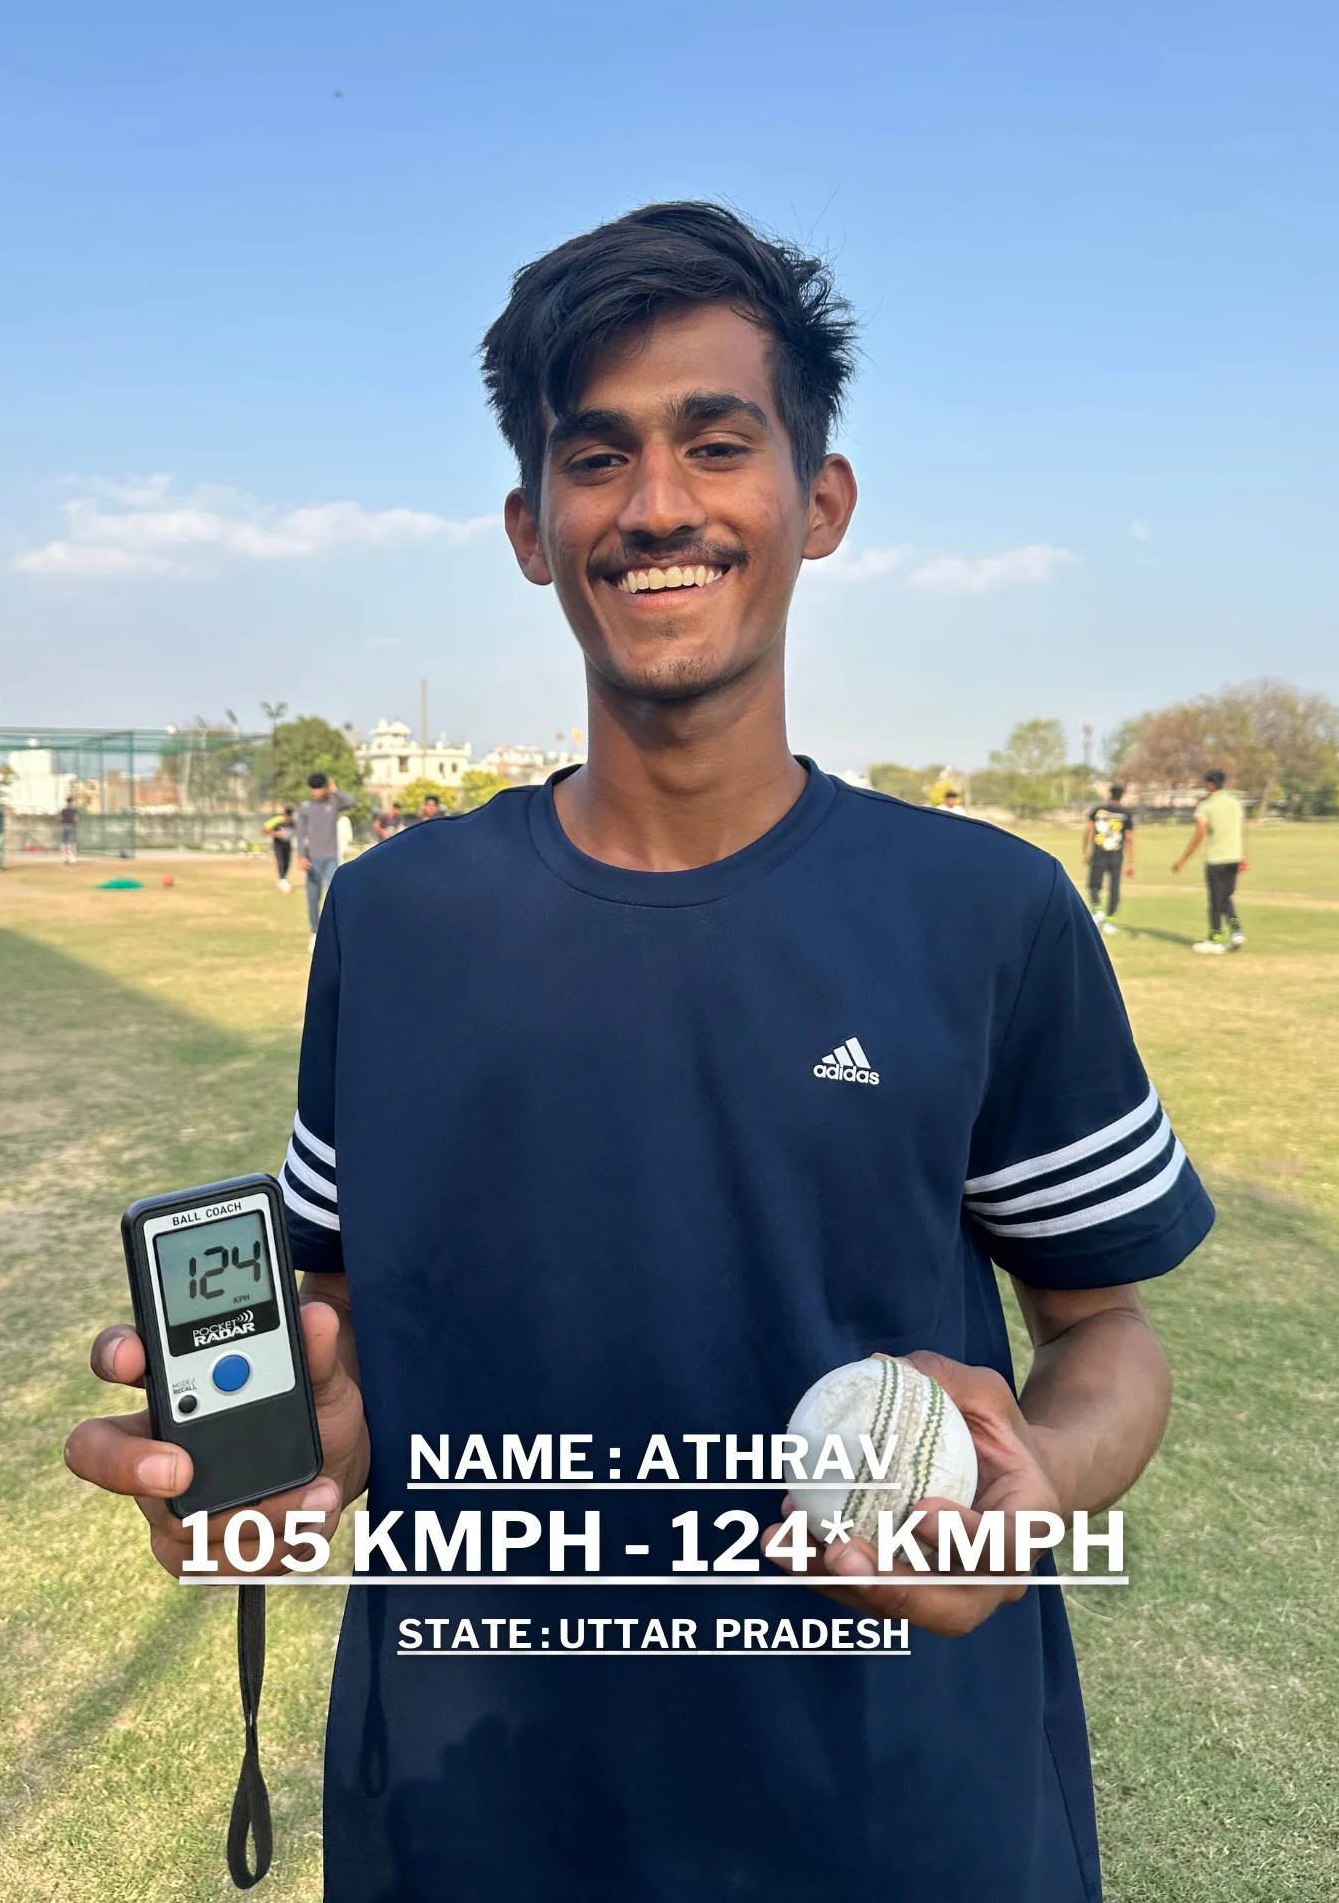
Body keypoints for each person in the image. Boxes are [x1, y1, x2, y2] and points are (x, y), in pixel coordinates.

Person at [66, 202, 1214, 1903]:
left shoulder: (987, 910)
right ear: (534, 529)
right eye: (597, 456)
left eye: (716, 442)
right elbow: (360, 1335)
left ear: (817, 504)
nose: (659, 502)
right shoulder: (390, 921)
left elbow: (1106, 1330)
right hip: (473, 1812)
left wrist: (1037, 1481)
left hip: (894, 1813)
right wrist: (275, 1457)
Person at [1173, 767, 1246, 953]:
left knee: (1215, 900)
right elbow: (1237, 830)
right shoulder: (1235, 803)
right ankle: (1237, 931)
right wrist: (1242, 855)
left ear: (1210, 784)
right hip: (1234, 857)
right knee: (1225, 897)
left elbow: (1200, 834)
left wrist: (1183, 859)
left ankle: (1215, 939)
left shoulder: (1207, 806)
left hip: (1217, 859)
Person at [294, 773, 353, 950]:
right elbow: (300, 833)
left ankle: (335, 933)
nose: (316, 792)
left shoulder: (334, 803)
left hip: (331, 858)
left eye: (319, 788)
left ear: (325, 788)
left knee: (334, 895)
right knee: (313, 897)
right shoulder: (305, 808)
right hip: (312, 859)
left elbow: (351, 801)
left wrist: (336, 790)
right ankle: (314, 932)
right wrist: (301, 856)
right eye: (313, 789)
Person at [1081, 781, 1134, 934]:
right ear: (1121, 796)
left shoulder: (1098, 810)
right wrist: (1131, 861)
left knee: (1094, 884)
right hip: (1116, 855)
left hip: (1099, 852)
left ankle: (1097, 911)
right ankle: (1109, 921)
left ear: (1109, 794)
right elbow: (1129, 838)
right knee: (1114, 887)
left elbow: (1088, 830)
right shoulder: (1125, 814)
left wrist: (1085, 851)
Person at [262, 804, 296, 891]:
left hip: (287, 843)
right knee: (281, 861)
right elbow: (263, 830)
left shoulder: (293, 822)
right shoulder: (277, 820)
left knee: (288, 861)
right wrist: (276, 833)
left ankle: (283, 878)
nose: (288, 818)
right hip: (278, 843)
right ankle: (282, 879)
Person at [58, 798, 79, 865]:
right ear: (72, 802)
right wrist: (74, 821)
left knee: (64, 842)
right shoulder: (74, 809)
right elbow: (76, 819)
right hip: (71, 826)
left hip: (64, 826)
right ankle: (71, 858)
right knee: (71, 842)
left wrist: (63, 820)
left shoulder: (63, 809)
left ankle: (64, 858)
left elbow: (60, 818)